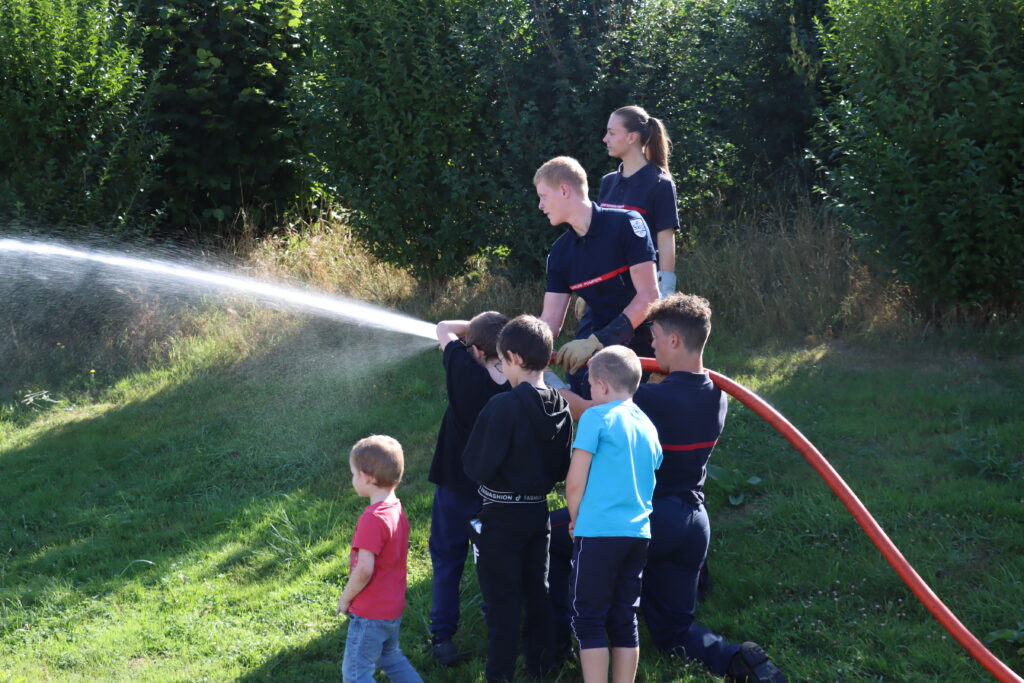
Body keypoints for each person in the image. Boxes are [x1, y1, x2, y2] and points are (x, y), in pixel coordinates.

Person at [557, 294, 787, 682]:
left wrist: (556, 386)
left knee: (547, 534)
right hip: (692, 524)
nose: (651, 345)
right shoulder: (717, 394)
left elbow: (591, 408)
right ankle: (739, 660)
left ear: (675, 340)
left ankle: (557, 642)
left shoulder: (651, 398)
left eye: (656, 336)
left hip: (645, 517)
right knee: (674, 633)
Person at [462, 315, 573, 682]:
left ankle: (500, 676)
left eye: (502, 361)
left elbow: (475, 466)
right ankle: (540, 668)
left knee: (502, 604)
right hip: (538, 514)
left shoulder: (502, 407)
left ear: (513, 357)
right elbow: (562, 468)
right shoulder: (561, 406)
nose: (501, 368)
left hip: (501, 518)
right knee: (538, 593)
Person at [565, 345, 662, 683]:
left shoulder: (596, 417)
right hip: (637, 535)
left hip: (598, 532)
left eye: (591, 386)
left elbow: (575, 482)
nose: (591, 392)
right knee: (624, 617)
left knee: (588, 619)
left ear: (603, 385)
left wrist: (576, 519)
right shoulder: (648, 425)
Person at [535, 156, 659, 400]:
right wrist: (523, 345)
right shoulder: (560, 252)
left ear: (564, 190)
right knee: (581, 383)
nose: (540, 205)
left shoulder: (627, 223)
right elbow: (550, 321)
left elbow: (649, 297)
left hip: (646, 344)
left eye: (543, 196)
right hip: (597, 342)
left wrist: (598, 341)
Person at [427, 312, 510, 665]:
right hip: (494, 493)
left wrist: (471, 331)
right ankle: (499, 631)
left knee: (447, 561)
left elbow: (444, 328)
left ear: (475, 350)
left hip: (453, 487)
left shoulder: (462, 368)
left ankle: (442, 637)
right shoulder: (516, 384)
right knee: (493, 564)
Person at [338, 435, 422, 683]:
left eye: (353, 474)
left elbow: (364, 569)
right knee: (391, 658)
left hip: (370, 613)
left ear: (366, 477)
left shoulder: (372, 519)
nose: (353, 479)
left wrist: (345, 598)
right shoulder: (396, 509)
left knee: (356, 675)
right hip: (391, 609)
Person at [599, 105, 680, 300]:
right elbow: (599, 239)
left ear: (631, 137)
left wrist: (665, 292)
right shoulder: (607, 182)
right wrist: (590, 287)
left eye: (612, 133)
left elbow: (666, 242)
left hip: (642, 294)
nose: (605, 139)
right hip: (606, 293)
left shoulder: (660, 183)